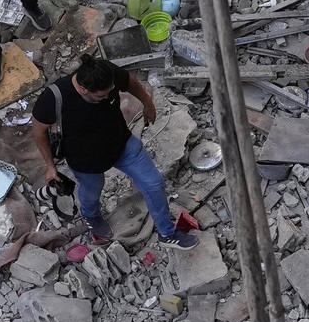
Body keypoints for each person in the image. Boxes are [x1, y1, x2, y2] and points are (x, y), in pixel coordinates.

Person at [31, 56, 199, 245]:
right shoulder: (53, 98)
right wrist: (50, 166)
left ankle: (167, 233)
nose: (107, 98)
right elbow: (38, 132)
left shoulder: (106, 73)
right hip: (85, 159)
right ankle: (91, 217)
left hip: (121, 143)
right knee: (92, 192)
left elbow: (130, 82)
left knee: (154, 183)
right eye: (101, 96)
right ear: (83, 89)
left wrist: (147, 103)